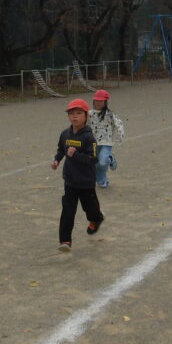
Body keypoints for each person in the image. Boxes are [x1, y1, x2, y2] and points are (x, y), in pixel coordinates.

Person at [51, 98, 104, 252]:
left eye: (79, 113)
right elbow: (61, 149)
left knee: (91, 209)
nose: (74, 116)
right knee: (67, 211)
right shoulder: (65, 134)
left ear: (86, 116)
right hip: (70, 181)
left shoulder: (89, 138)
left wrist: (76, 155)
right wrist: (56, 160)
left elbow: (93, 159)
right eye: (71, 113)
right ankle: (65, 240)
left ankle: (96, 219)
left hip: (86, 182)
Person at [87, 89, 126, 188]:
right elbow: (84, 126)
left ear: (105, 102)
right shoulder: (89, 114)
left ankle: (109, 158)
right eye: (96, 100)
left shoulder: (110, 114)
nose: (98, 103)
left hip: (106, 143)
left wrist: (119, 136)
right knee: (96, 164)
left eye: (101, 101)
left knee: (102, 162)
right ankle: (102, 180)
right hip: (93, 143)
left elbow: (119, 124)